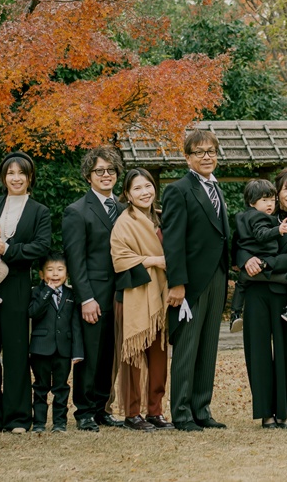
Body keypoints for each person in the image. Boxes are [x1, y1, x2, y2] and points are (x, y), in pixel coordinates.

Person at [0, 151, 52, 434]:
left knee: (17, 350)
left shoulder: (39, 211)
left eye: (21, 173)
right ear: (3, 177)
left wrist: (9, 249)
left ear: (30, 177)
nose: (15, 178)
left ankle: (18, 417)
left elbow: (41, 247)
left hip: (18, 283)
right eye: (10, 173)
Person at [162, 129, 231, 432]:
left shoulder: (217, 189)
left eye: (211, 151)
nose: (207, 157)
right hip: (190, 282)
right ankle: (181, 413)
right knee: (187, 347)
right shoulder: (178, 190)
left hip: (216, 276)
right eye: (200, 152)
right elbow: (173, 240)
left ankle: (201, 409)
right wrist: (177, 283)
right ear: (187, 157)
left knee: (208, 346)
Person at [63, 146, 128, 432]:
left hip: (123, 293)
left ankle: (102, 407)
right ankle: (85, 411)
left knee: (109, 355)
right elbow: (75, 260)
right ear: (89, 175)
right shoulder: (76, 211)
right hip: (94, 295)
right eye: (99, 171)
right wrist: (86, 298)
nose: (106, 175)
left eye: (110, 170)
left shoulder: (125, 210)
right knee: (90, 354)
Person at [236, 173, 287, 428]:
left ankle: (282, 412)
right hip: (256, 294)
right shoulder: (257, 215)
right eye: (285, 189)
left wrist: (265, 263)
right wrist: (246, 259)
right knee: (258, 352)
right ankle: (265, 412)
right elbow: (239, 243)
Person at [109, 168, 174, 432]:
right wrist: (155, 260)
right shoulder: (124, 222)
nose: (144, 192)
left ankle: (155, 411)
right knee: (134, 357)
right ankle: (133, 413)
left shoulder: (162, 219)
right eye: (137, 188)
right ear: (127, 194)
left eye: (148, 186)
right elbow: (120, 259)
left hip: (161, 296)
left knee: (158, 357)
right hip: (133, 296)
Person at [29, 254, 83, 433]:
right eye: (50, 270)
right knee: (40, 387)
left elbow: (75, 325)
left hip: (63, 349)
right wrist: (47, 292)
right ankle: (39, 422)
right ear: (41, 274)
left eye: (60, 270)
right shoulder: (36, 292)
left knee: (61, 388)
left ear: (67, 274)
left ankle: (60, 423)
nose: (55, 274)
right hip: (41, 349)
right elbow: (34, 313)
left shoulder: (71, 295)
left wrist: (77, 351)